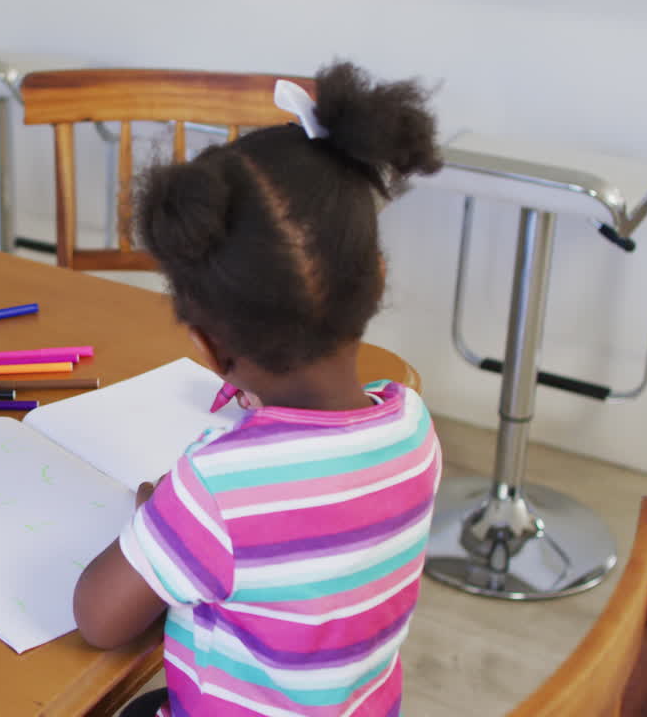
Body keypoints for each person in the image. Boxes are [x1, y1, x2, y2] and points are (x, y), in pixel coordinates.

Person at [73, 61, 445, 716]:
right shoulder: (414, 425)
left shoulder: (214, 493)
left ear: (208, 345)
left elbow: (98, 619)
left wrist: (155, 522)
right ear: (377, 278)